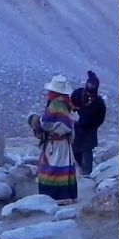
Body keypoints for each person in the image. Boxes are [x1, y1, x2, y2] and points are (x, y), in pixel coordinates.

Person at [38, 74, 77, 204]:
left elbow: (46, 123)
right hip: (64, 143)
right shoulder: (67, 103)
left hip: (55, 144)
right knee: (63, 167)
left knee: (52, 168)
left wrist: (38, 121)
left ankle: (54, 197)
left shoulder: (56, 104)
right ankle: (66, 195)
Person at [70, 70, 106, 176]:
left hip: (89, 133)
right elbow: (70, 105)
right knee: (76, 154)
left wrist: (92, 125)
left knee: (87, 156)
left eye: (93, 84)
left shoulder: (99, 102)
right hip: (76, 131)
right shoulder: (78, 93)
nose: (91, 86)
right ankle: (80, 175)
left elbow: (101, 118)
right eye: (90, 83)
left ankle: (87, 178)